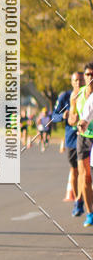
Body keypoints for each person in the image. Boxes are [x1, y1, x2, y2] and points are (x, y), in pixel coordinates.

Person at [51, 72, 84, 215]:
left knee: (87, 171)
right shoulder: (65, 97)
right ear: (71, 82)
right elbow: (54, 116)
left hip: (87, 138)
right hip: (71, 139)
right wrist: (62, 116)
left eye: (81, 80)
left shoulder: (89, 96)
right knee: (75, 171)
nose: (78, 83)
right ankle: (78, 201)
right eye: (75, 80)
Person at [69, 63, 93, 225]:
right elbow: (72, 118)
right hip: (83, 138)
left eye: (92, 75)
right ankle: (89, 213)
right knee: (84, 177)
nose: (90, 78)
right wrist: (74, 120)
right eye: (88, 75)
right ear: (84, 76)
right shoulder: (76, 96)